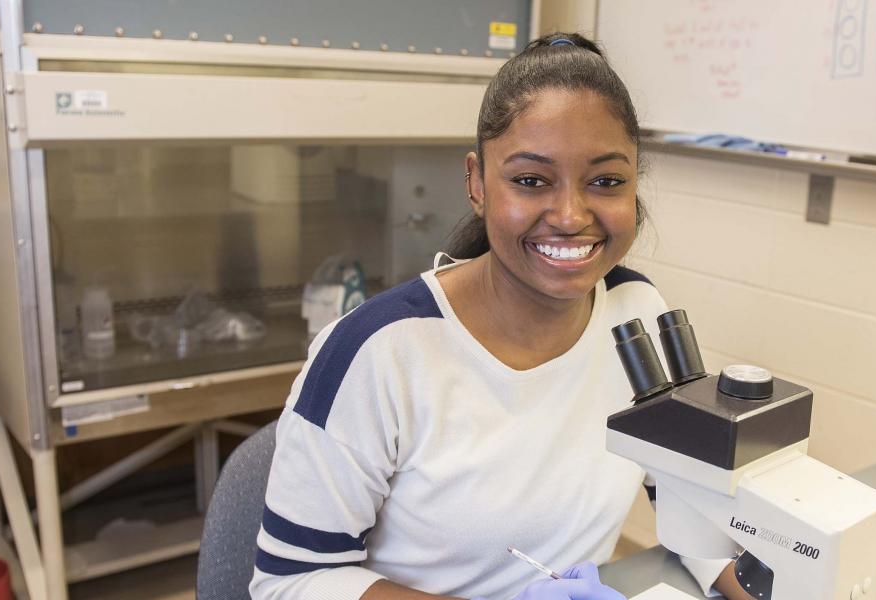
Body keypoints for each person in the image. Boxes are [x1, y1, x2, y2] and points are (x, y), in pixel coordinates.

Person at [252, 33, 749, 600]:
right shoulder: (378, 352)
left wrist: (765, 583)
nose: (569, 215)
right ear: (476, 183)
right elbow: (290, 582)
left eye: (606, 181)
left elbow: (684, 493)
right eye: (531, 180)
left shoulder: (638, 313)